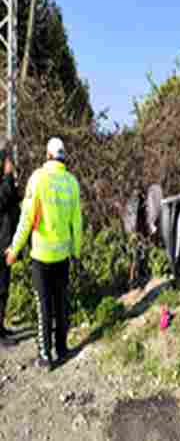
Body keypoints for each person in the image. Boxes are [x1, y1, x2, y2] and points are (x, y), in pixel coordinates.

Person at [5, 138, 82, 369]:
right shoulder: (71, 182)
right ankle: (62, 348)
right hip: (63, 254)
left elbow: (26, 220)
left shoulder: (37, 179)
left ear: (48, 155)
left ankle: (45, 356)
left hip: (41, 255)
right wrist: (76, 251)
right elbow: (77, 222)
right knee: (61, 302)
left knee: (44, 306)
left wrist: (14, 249)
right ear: (62, 156)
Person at [0, 138, 20, 347]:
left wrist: (14, 184)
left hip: (6, 241)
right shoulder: (2, 181)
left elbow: (12, 201)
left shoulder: (5, 181)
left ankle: (1, 326)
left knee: (4, 287)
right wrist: (7, 178)